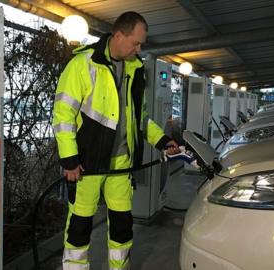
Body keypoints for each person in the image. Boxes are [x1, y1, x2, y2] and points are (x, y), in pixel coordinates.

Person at [52, 11, 180, 270]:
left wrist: (163, 141)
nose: (139, 48)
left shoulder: (135, 69)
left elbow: (140, 119)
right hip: (87, 166)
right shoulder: (83, 64)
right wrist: (70, 160)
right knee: (79, 228)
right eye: (136, 42)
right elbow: (62, 114)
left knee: (122, 228)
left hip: (121, 166)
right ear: (118, 35)